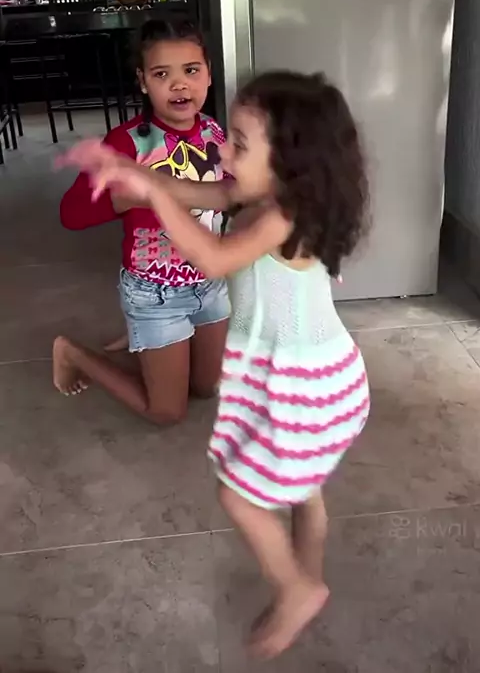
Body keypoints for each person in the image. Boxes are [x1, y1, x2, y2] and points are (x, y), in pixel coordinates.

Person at [59, 70, 370, 658]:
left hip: (305, 385)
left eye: (240, 145)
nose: (222, 152)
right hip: (307, 376)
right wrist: (131, 170)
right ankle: (303, 581)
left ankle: (298, 589)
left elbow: (211, 258)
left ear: (291, 164)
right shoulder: (260, 198)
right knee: (304, 490)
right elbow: (199, 192)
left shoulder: (283, 218)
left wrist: (152, 195)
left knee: (238, 495)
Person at [54, 18, 231, 425]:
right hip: (156, 293)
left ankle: (142, 339)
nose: (179, 84)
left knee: (207, 388)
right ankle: (73, 353)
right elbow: (71, 214)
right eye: (161, 74)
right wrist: (126, 195)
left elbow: (235, 192)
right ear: (143, 82)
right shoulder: (127, 142)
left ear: (208, 73)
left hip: (210, 283)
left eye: (191, 70)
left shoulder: (215, 132)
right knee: (166, 412)